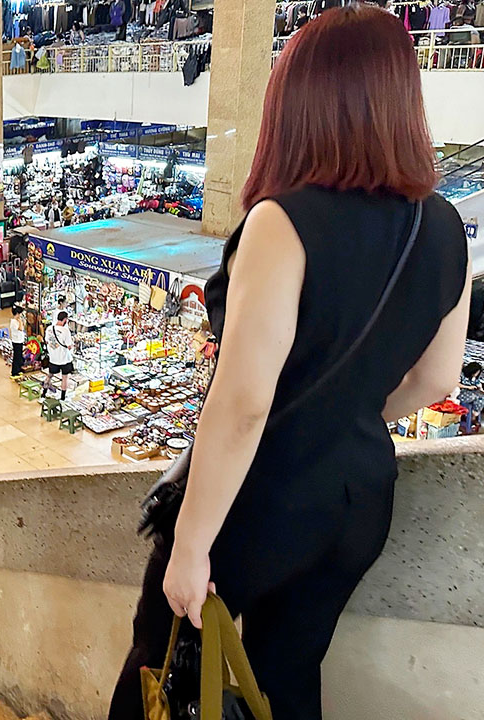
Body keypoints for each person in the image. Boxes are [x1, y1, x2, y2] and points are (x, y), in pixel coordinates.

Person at [108, 8, 470, 718]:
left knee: (159, 669)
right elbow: (439, 380)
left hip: (262, 500)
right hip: (361, 500)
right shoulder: (445, 225)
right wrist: (348, 413)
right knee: (291, 675)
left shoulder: (286, 221)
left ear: (298, 100)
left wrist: (189, 548)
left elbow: (242, 406)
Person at [42, 311, 74, 401]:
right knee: (64, 378)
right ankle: (63, 398)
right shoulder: (65, 331)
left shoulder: (49, 329)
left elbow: (47, 341)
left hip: (53, 358)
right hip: (64, 358)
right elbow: (69, 346)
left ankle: (43, 393)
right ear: (65, 320)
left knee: (49, 375)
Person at [458, 362, 484, 434]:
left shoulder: (475, 378)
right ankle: (473, 418)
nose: (476, 375)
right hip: (462, 393)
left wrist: (480, 388)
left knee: (481, 398)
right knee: (474, 397)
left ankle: (474, 415)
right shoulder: (462, 375)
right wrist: (468, 387)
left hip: (472, 393)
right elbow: (457, 384)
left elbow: (478, 384)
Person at [9, 306, 27, 377]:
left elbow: (23, 326)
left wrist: (22, 321)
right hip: (16, 341)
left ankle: (19, 369)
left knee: (19, 355)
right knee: (16, 357)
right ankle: (14, 372)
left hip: (20, 340)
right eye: (19, 314)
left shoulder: (17, 321)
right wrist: (20, 321)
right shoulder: (13, 322)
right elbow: (20, 328)